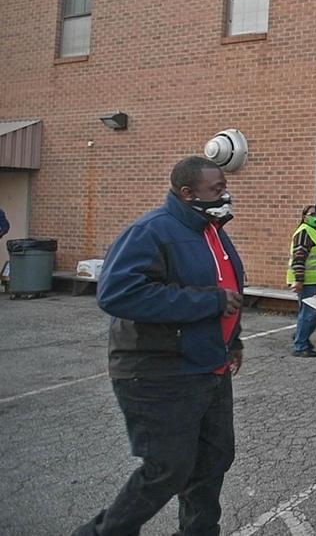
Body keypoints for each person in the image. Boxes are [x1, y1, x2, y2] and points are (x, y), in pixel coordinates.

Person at [73, 157, 244, 536]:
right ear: (187, 193)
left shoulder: (212, 229)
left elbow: (228, 285)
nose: (226, 194)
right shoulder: (152, 231)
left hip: (209, 366)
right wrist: (207, 301)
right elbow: (117, 293)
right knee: (168, 468)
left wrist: (233, 340)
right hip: (160, 371)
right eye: (216, 189)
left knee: (213, 460)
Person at [288, 205, 316, 357]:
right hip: (306, 281)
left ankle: (300, 334)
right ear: (304, 217)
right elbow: (299, 257)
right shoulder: (304, 232)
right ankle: (300, 346)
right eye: (312, 214)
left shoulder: (315, 233)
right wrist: (298, 280)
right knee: (309, 312)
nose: (315, 217)